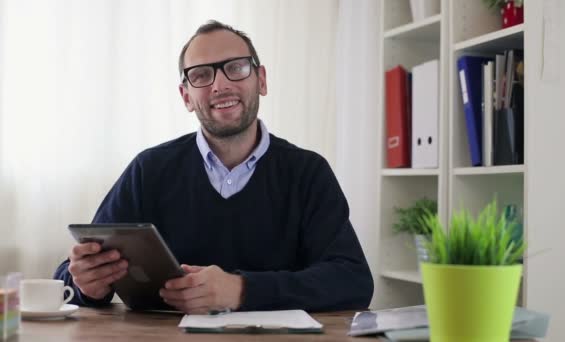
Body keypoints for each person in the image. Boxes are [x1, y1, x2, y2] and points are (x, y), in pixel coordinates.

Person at [54, 20, 373, 314]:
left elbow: (353, 280)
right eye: (202, 75)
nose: (220, 85)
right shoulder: (149, 170)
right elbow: (70, 273)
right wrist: (86, 285)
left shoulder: (308, 172)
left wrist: (242, 290)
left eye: (236, 68)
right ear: (186, 96)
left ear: (261, 80)